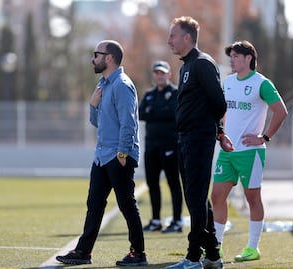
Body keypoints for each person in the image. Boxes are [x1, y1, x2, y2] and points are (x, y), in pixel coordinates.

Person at [56, 40, 148, 266]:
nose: (92, 59)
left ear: (109, 58)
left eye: (96, 54)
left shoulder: (122, 85)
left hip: (118, 155)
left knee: (126, 204)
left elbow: (129, 123)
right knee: (94, 204)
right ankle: (83, 252)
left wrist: (123, 153)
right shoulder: (103, 84)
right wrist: (92, 104)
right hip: (102, 156)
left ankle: (139, 254)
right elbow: (97, 122)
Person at [211, 40, 288, 262]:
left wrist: (263, 137)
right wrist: (222, 133)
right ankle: (216, 246)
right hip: (227, 151)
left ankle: (253, 248)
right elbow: (224, 112)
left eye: (236, 56)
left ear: (248, 58)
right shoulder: (229, 82)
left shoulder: (261, 83)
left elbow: (280, 112)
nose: (232, 60)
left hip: (250, 152)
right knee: (217, 196)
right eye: (231, 56)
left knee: (252, 198)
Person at [165, 16, 231, 269]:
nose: (169, 40)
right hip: (186, 139)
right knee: (197, 199)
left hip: (198, 139)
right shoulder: (186, 65)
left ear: (187, 38)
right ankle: (212, 255)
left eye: (173, 35)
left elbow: (219, 103)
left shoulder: (202, 63)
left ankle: (194, 257)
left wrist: (218, 132)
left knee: (194, 198)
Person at [139, 61, 183, 233]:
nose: (159, 76)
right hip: (151, 146)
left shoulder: (175, 93)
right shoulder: (149, 94)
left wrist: (155, 112)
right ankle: (156, 219)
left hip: (170, 145)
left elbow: (172, 113)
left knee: (173, 183)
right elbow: (142, 113)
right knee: (152, 183)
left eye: (162, 73)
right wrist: (158, 111)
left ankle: (177, 220)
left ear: (169, 75)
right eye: (156, 73)